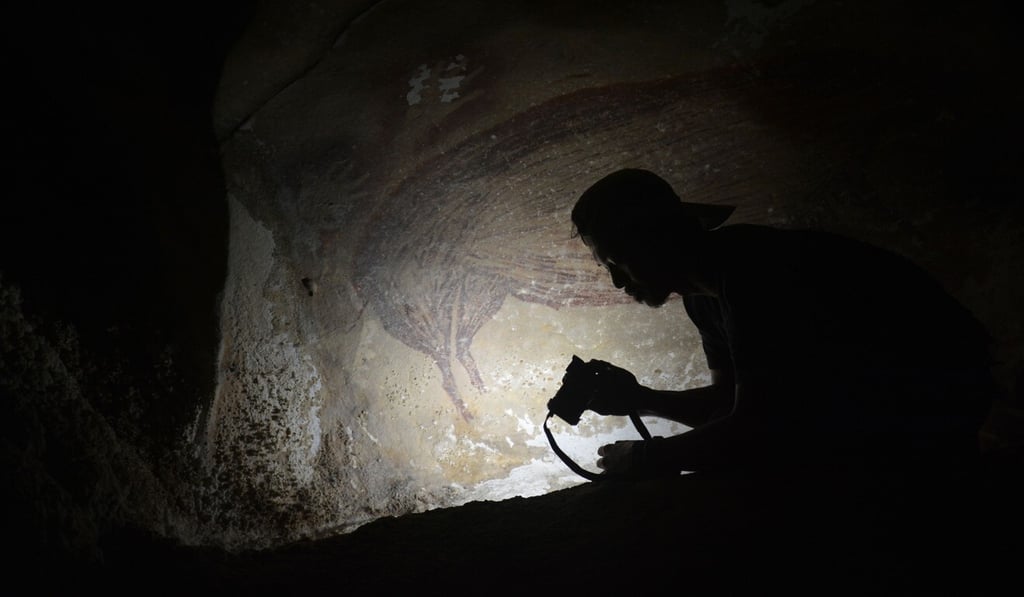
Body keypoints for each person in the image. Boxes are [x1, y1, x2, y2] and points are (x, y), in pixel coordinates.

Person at [570, 168, 995, 476]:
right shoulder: (705, 297)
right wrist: (640, 398)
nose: (617, 282)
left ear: (657, 241)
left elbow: (763, 426)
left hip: (931, 414)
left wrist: (648, 458)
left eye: (618, 261)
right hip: (890, 413)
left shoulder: (756, 272)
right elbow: (734, 406)